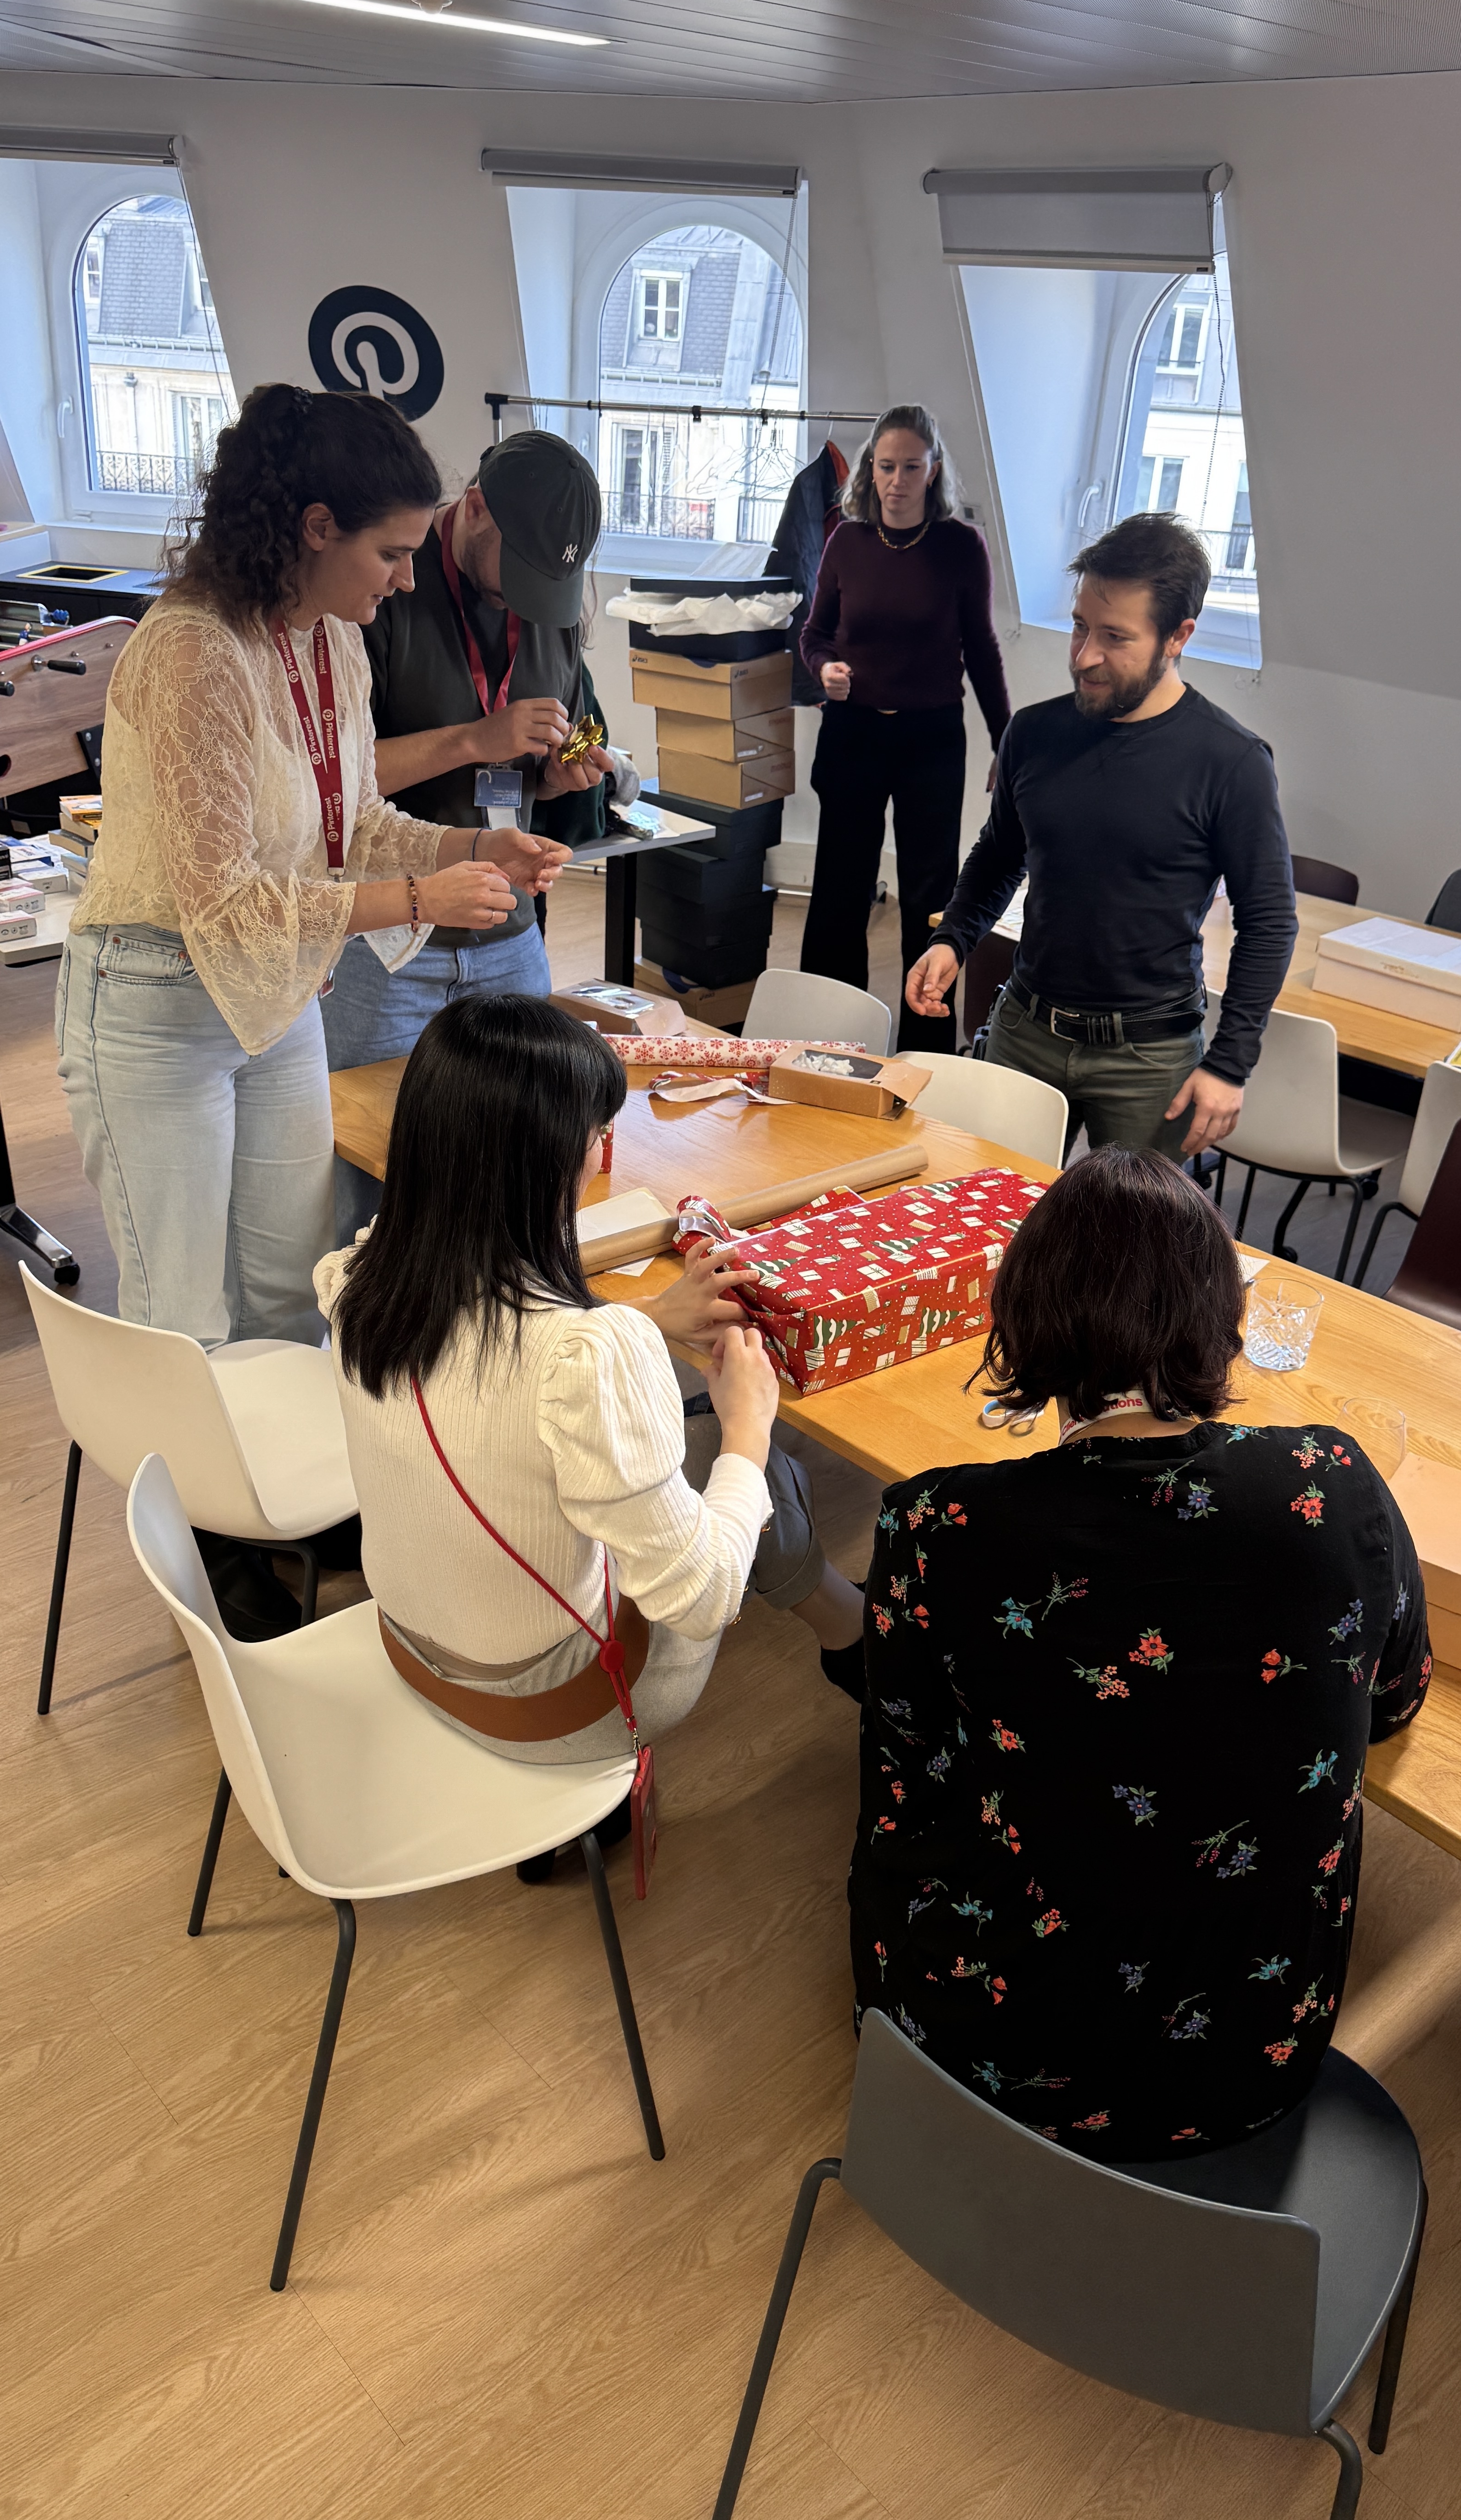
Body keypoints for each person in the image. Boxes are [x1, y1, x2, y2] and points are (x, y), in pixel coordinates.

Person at [55, 383, 546, 1633]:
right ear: (313, 527)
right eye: (388, 552)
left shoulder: (327, 642)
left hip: (273, 1002)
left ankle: (284, 1497)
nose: (401, 578)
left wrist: (464, 845)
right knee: (185, 1310)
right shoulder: (187, 654)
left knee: (289, 1285)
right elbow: (223, 894)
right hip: (157, 1000)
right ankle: (212, 1549)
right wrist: (411, 897)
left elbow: (346, 830)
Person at [850, 1147, 1430, 2163]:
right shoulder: (1330, 1481)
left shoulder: (935, 1525)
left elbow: (911, 1757)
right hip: (1253, 2055)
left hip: (987, 2044)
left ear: (1018, 1320)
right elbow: (1392, 1701)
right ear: (1220, 1322)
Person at [317, 996, 867, 1869]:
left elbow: (498, 1372)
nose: (597, 1157)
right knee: (753, 1484)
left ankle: (847, 1627)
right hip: (556, 1707)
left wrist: (647, 1317)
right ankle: (860, 1643)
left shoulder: (355, 1277)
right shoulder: (586, 1352)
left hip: (413, 1651)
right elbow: (698, 1598)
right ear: (549, 1163)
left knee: (689, 1472)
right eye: (593, 1140)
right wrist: (748, 1430)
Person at [906, 511, 1299, 1156]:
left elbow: (1269, 919)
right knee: (991, 1219)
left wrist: (1229, 1064)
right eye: (1079, 628)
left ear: (1178, 636)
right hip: (1024, 1028)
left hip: (1149, 1057)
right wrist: (954, 936)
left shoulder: (1230, 762)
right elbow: (999, 855)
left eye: (1115, 637)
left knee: (1135, 1250)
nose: (1085, 657)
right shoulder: (1031, 733)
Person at [322, 429, 624, 1238]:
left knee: (509, 1181)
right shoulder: (378, 589)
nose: (526, 601)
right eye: (516, 576)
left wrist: (566, 769)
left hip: (508, 933)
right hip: (386, 947)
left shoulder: (552, 599)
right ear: (476, 509)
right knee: (365, 1186)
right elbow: (330, 781)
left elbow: (582, 725)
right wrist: (475, 740)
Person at [797, 404, 1010, 1053]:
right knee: (840, 887)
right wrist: (825, 668)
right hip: (853, 734)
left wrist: (1007, 741)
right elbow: (813, 635)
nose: (896, 481)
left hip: (931, 741)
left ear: (932, 471)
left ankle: (925, 1048)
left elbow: (981, 647)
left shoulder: (958, 546)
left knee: (928, 893)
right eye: (885, 467)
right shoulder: (847, 542)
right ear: (870, 470)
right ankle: (832, 1036)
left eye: (910, 468)